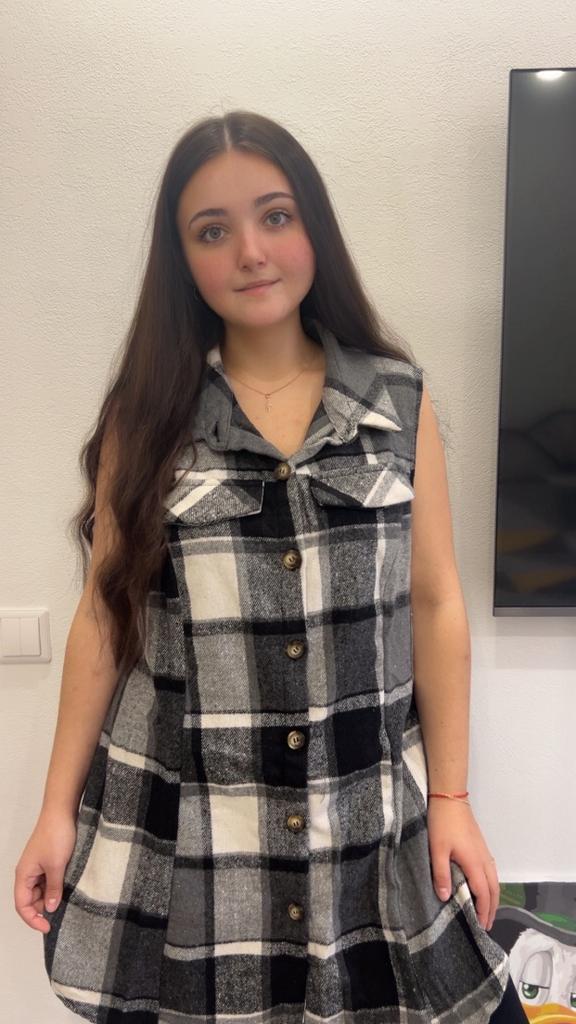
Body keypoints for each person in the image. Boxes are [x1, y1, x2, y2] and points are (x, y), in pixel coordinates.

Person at [14, 110, 527, 1023]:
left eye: (275, 216)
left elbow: (436, 601)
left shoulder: (395, 400)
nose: (250, 251)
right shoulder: (148, 413)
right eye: (212, 231)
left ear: (312, 227)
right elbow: (104, 612)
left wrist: (452, 797)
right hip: (195, 824)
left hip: (363, 811)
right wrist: (55, 810)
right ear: (184, 259)